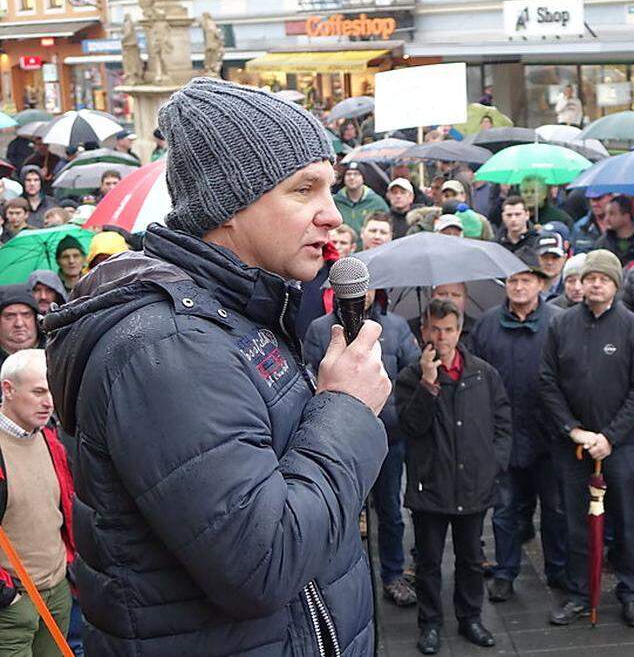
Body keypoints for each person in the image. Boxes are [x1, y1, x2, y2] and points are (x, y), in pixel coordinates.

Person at [43, 78, 392, 655]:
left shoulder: (239, 312)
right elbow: (263, 563)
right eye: (304, 189)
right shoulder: (167, 347)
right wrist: (347, 410)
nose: (332, 215)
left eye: (330, 187)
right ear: (226, 205)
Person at [540, 249, 634, 627]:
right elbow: (548, 382)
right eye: (590, 278)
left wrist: (609, 436)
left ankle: (631, 592)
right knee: (574, 522)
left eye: (603, 279)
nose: (595, 284)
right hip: (572, 443)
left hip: (618, 447)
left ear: (616, 285)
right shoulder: (561, 324)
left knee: (626, 521)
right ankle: (578, 593)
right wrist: (572, 429)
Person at [395, 299, 511, 655]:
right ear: (423, 331)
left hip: (473, 484)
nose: (441, 337)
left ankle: (470, 617)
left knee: (471, 558)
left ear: (459, 331)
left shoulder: (483, 373)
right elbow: (410, 427)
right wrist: (428, 385)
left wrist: (494, 464)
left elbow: (503, 422)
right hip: (430, 485)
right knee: (428, 562)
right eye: (434, 329)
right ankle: (430, 624)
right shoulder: (410, 376)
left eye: (448, 329)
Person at [302, 286, 421, 610]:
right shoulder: (321, 329)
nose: (362, 293)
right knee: (343, 514)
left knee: (391, 512)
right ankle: (341, 582)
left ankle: (392, 574)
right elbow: (310, 375)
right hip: (339, 440)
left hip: (388, 438)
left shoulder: (395, 326)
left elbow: (413, 373)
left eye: (368, 286)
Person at [466, 252, 567, 602]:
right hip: (504, 432)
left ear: (540, 284)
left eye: (526, 280)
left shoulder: (559, 321)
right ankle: (506, 572)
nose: (519, 286)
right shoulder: (488, 323)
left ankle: (558, 569)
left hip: (549, 433)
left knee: (554, 508)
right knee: (505, 509)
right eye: (513, 280)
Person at [0, 350, 74, 657]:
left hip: (57, 593)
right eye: (38, 391)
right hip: (13, 605)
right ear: (8, 389)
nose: (49, 402)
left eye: (51, 391)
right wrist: (6, 598)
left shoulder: (49, 438)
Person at [407, 282, 476, 341]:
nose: (449, 299)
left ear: (465, 299)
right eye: (442, 294)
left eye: (455, 295)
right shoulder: (409, 329)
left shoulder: (477, 329)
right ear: (431, 296)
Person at [334, 161, 388, 234]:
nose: (352, 177)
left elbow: (387, 226)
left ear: (363, 178)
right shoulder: (335, 201)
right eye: (348, 174)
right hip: (341, 243)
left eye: (356, 174)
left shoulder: (376, 202)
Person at [595, 196, 634, 266]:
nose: (607, 219)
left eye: (612, 214)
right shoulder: (602, 243)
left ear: (626, 216)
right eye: (606, 214)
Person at [536, 232, 568, 299]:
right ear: (536, 258)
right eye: (544, 257)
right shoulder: (527, 287)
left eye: (555, 258)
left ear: (564, 258)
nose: (549, 262)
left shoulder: (572, 288)